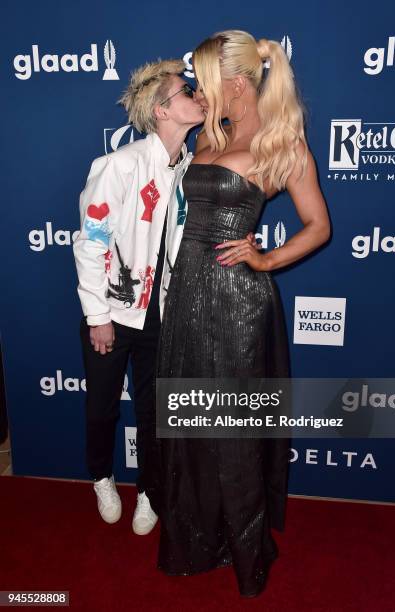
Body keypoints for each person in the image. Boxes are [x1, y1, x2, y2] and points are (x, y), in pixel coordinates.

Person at [147, 31, 331, 596]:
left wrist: (268, 258)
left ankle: (247, 551)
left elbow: (319, 226)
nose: (198, 90)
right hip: (186, 300)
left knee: (233, 432)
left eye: (203, 78)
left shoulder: (281, 142)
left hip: (237, 304)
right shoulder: (209, 133)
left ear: (233, 80)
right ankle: (196, 540)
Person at [73, 59, 204, 534]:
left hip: (161, 315)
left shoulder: (192, 171)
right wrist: (97, 315)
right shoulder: (118, 166)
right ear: (162, 111)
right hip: (110, 310)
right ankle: (102, 476)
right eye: (187, 91)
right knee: (102, 404)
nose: (197, 96)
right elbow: (90, 243)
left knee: (156, 408)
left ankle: (148, 489)